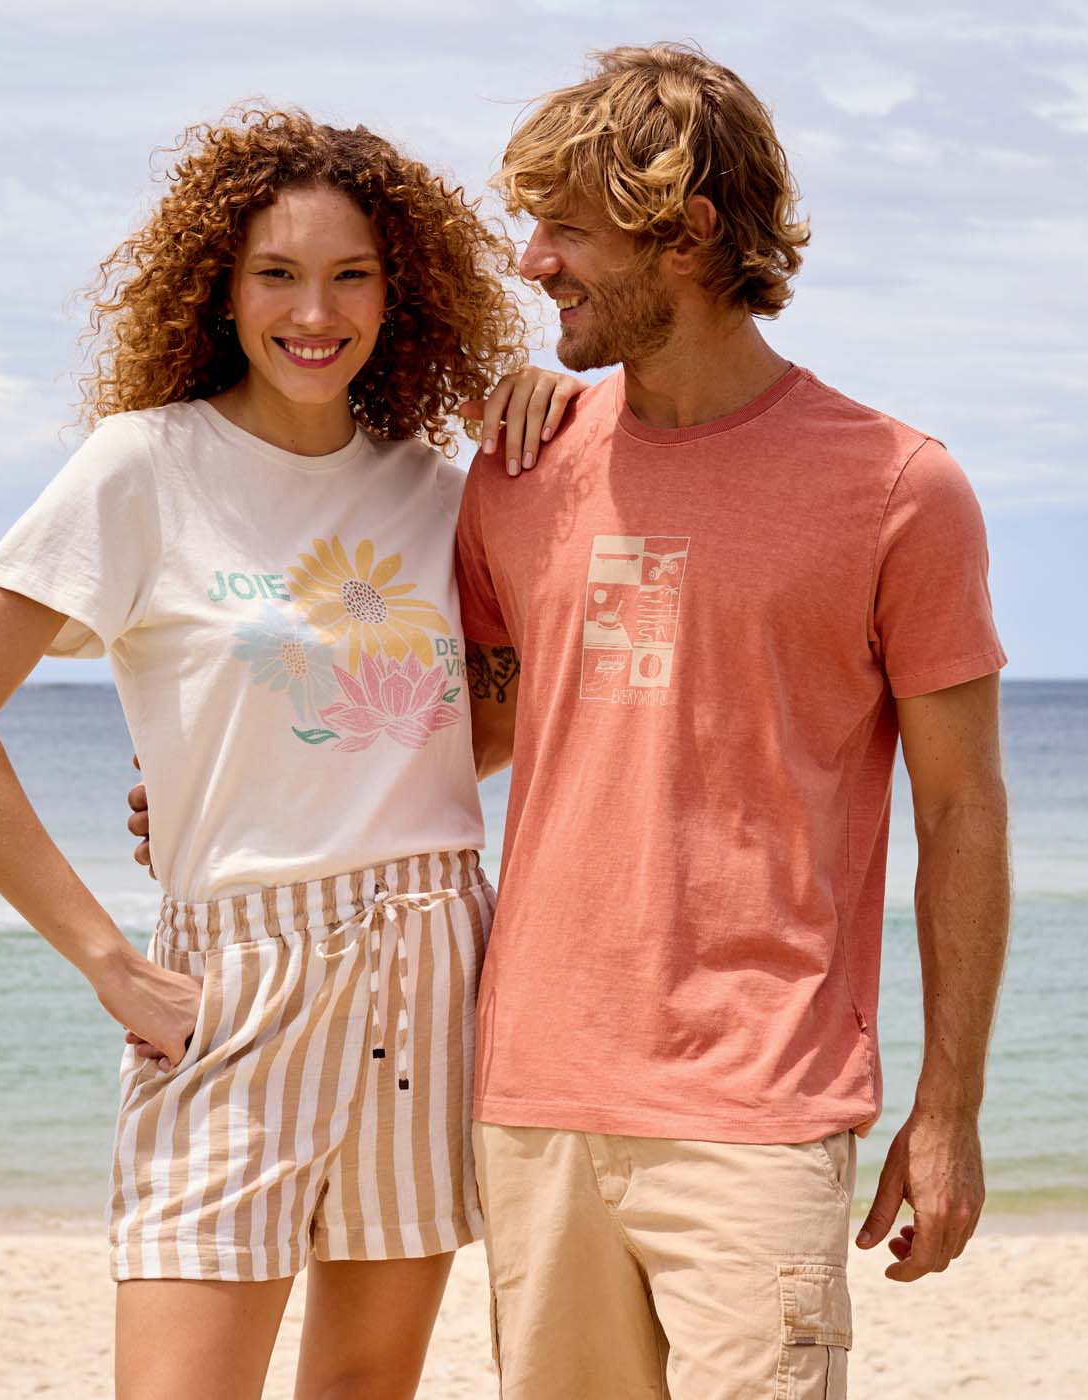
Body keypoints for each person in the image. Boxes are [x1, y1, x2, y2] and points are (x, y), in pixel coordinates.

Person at [131, 42, 1012, 1399]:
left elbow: (961, 809)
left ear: (689, 235)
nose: (532, 262)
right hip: (530, 1097)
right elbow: (459, 720)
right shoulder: (523, 468)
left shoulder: (900, 487)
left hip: (756, 1110)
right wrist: (238, 783)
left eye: (568, 231)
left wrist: (949, 1109)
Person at [0, 107, 583, 1400]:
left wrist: (558, 412)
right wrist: (109, 963)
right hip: (230, 983)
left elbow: (492, 720)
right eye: (277, 273)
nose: (314, 311)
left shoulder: (439, 489)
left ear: (397, 290)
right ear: (221, 287)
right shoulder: (143, 468)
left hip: (429, 963)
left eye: (350, 274)